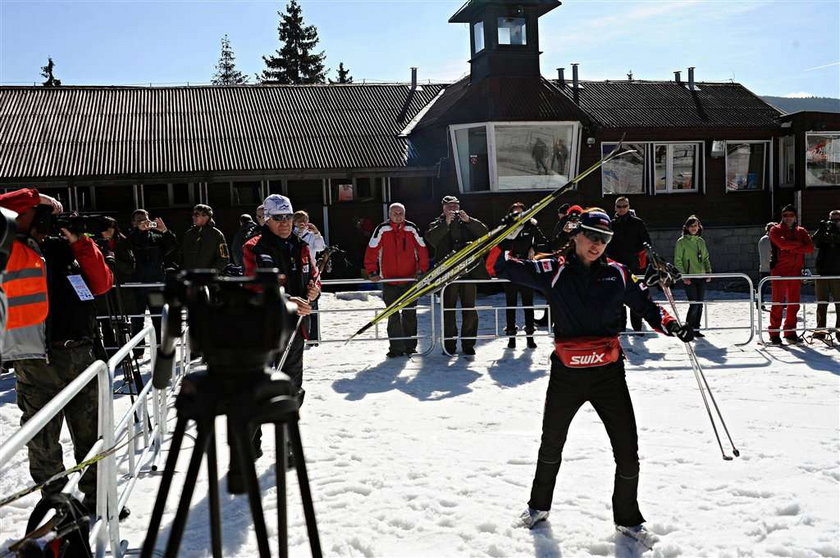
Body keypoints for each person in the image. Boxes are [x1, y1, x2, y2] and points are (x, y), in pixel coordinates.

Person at [494, 208, 692, 546]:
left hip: (608, 376)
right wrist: (506, 232)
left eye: (605, 239)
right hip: (567, 375)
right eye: (592, 236)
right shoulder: (553, 269)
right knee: (551, 444)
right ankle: (538, 507)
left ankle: (628, 519)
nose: (598, 244)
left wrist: (672, 325)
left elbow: (647, 307)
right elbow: (499, 266)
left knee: (627, 450)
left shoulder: (617, 274)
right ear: (576, 235)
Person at [0, 188, 113, 510]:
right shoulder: (9, 249)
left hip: (79, 353)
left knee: (92, 434)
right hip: (36, 359)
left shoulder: (64, 249)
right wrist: (39, 201)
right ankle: (57, 504)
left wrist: (81, 241)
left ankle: (100, 497)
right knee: (44, 442)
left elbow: (102, 283)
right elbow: (5, 207)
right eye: (45, 217)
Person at [243, 194, 320, 402]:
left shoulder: (301, 245)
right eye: (278, 217)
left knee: (292, 386)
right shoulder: (254, 246)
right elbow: (255, 283)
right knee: (258, 386)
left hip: (296, 326)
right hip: (265, 326)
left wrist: (315, 289)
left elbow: (313, 274)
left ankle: (288, 432)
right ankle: (253, 433)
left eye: (288, 216)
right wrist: (288, 299)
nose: (285, 222)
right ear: (267, 218)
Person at [364, 202, 430, 358]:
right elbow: (371, 251)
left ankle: (410, 346)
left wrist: (422, 269)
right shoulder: (382, 229)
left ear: (405, 214)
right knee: (393, 315)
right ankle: (396, 348)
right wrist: (372, 271)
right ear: (389, 215)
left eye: (401, 213)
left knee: (410, 314)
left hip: (410, 279)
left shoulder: (412, 228)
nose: (398, 216)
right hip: (389, 280)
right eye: (395, 213)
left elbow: (422, 249)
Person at [426, 195, 489, 356]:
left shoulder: (467, 221)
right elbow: (431, 239)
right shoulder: (437, 222)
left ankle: (468, 344)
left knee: (470, 309)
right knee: (448, 310)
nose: (452, 209)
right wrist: (446, 223)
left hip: (468, 272)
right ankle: (450, 345)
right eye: (449, 206)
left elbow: (485, 233)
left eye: (455, 206)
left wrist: (469, 220)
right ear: (443, 208)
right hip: (448, 275)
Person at [494, 202, 547, 349]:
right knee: (511, 304)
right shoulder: (506, 227)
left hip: (526, 267)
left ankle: (530, 337)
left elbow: (543, 242)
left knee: (528, 303)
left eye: (521, 213)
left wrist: (533, 249)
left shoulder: (531, 225)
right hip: (510, 267)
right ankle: (511, 337)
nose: (518, 215)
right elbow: (500, 244)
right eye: (515, 213)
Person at [125, 209, 177, 348]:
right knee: (137, 319)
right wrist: (140, 231)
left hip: (155, 284)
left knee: (158, 317)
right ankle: (138, 349)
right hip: (138, 285)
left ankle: (160, 346)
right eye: (139, 220)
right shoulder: (130, 237)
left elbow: (172, 246)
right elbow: (130, 246)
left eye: (145, 219)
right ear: (133, 223)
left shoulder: (156, 236)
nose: (143, 222)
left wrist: (165, 231)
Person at [768, 204, 814, 344]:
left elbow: (810, 248)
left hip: (795, 271)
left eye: (791, 215)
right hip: (779, 271)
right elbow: (781, 245)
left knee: (794, 304)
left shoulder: (801, 231)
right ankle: (774, 333)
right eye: (785, 215)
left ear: (795, 217)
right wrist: (798, 245)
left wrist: (790, 246)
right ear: (782, 217)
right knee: (777, 303)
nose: (788, 218)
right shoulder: (775, 229)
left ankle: (790, 331)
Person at [606, 197, 651, 335]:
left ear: (628, 206)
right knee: (618, 296)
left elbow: (646, 241)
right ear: (615, 207)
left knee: (636, 295)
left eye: (624, 206)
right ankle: (621, 327)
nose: (622, 209)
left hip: (634, 265)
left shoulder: (637, 223)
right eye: (619, 206)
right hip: (617, 266)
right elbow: (606, 243)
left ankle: (637, 327)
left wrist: (644, 251)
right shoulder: (611, 224)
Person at [93, 216, 137, 357]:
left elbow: (130, 266)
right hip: (102, 286)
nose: (109, 231)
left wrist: (113, 260)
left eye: (112, 227)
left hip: (119, 285)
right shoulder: (94, 243)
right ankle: (110, 353)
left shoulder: (122, 242)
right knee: (105, 321)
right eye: (106, 228)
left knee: (120, 321)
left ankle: (123, 353)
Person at [673, 215, 712, 338]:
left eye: (696, 225)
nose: (694, 228)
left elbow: (705, 258)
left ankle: (696, 328)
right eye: (691, 226)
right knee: (694, 303)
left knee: (700, 303)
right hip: (689, 277)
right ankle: (688, 328)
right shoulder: (681, 242)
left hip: (701, 276)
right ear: (687, 228)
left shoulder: (701, 241)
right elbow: (678, 260)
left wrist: (709, 272)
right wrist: (684, 275)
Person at [293, 210, 326, 342]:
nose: (303, 223)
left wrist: (317, 233)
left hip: (311, 271)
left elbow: (321, 247)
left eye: (305, 220)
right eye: (299, 220)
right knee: (300, 305)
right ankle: (299, 335)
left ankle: (314, 337)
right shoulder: (291, 233)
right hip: (297, 271)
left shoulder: (312, 234)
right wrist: (299, 232)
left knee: (313, 304)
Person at [811, 209, 840, 341]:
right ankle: (820, 330)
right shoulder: (825, 232)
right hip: (823, 272)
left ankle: (839, 331)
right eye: (832, 220)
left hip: (838, 274)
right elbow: (814, 242)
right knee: (821, 303)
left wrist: (833, 232)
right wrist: (821, 229)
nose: (835, 222)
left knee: (839, 304)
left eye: (837, 220)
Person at [179, 204, 229, 271]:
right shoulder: (188, 234)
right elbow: (181, 255)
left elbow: (224, 258)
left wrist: (211, 272)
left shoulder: (217, 235)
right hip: (190, 277)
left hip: (208, 278)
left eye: (196, 215)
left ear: (206, 217)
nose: (193, 217)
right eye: (193, 215)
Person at [757, 222, 776, 311]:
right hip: (769, 267)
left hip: (765, 266)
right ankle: (759, 302)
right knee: (764, 287)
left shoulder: (764, 239)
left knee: (764, 286)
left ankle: (759, 303)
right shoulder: (767, 240)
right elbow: (768, 254)